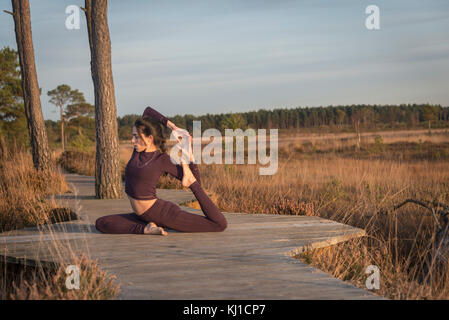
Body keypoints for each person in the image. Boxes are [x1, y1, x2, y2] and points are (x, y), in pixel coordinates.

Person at [95, 106, 228, 236]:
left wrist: (190, 157)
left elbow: (197, 181)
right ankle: (146, 228)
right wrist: (173, 127)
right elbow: (147, 111)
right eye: (132, 136)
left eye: (136, 136)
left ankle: (147, 227)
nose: (132, 140)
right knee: (102, 223)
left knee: (219, 225)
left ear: (149, 138)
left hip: (164, 214)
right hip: (142, 216)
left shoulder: (162, 159)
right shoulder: (137, 152)